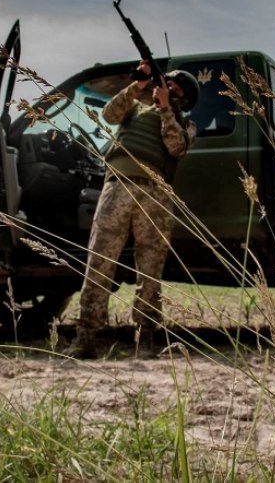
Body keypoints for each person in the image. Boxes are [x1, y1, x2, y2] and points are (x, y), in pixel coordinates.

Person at [70, 62, 199, 359]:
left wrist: (166, 109)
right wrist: (137, 85)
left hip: (155, 195)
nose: (167, 87)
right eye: (166, 82)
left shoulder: (186, 123)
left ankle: (146, 339)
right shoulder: (136, 106)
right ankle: (86, 336)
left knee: (150, 269)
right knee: (100, 260)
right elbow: (109, 114)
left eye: (175, 87)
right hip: (118, 186)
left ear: (184, 99)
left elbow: (177, 147)